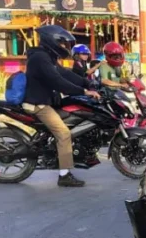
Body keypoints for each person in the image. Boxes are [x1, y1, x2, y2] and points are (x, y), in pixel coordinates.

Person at [23, 25, 101, 188]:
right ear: (52, 41)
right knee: (64, 133)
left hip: (48, 100)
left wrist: (89, 83)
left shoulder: (47, 57)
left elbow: (66, 74)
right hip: (38, 104)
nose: (65, 47)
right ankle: (64, 175)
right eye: (63, 44)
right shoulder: (40, 58)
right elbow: (57, 82)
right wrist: (84, 91)